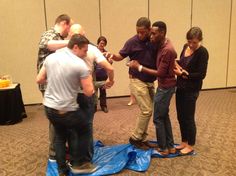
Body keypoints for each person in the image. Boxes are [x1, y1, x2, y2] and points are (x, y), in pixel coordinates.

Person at [36, 34, 97, 175]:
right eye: (85, 50)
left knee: (60, 136)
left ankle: (62, 170)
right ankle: (78, 163)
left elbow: (39, 79)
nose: (86, 54)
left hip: (49, 107)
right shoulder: (79, 64)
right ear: (75, 47)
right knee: (84, 128)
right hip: (65, 109)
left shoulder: (50, 58)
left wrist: (55, 81)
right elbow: (88, 92)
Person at [129, 21, 177, 156]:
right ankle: (170, 146)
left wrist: (139, 67)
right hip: (165, 86)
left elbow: (161, 73)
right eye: (151, 34)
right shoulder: (163, 44)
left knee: (157, 118)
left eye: (154, 34)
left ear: (162, 33)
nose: (151, 37)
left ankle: (163, 148)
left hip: (165, 87)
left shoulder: (167, 49)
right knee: (164, 116)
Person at [68, 24, 114, 160]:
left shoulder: (63, 50)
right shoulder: (92, 49)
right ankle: (85, 159)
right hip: (83, 93)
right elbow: (110, 69)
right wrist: (111, 80)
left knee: (73, 126)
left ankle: (75, 156)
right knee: (86, 127)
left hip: (71, 94)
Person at [110, 17, 157, 150]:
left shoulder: (154, 40)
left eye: (143, 32)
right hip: (137, 79)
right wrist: (111, 55)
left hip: (150, 80)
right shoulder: (132, 42)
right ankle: (135, 138)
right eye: (138, 32)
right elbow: (120, 56)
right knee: (146, 110)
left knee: (148, 110)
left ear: (149, 30)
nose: (140, 35)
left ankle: (142, 137)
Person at [37, 14, 72, 161]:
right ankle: (54, 152)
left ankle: (59, 148)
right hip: (48, 83)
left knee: (61, 117)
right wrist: (70, 41)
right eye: (69, 27)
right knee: (55, 118)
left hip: (56, 83)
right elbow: (47, 44)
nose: (69, 31)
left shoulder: (58, 38)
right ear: (64, 24)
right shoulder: (50, 34)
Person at [174, 27, 209, 155]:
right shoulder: (185, 47)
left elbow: (201, 74)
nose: (191, 45)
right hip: (181, 87)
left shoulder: (203, 52)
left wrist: (184, 74)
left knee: (188, 117)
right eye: (189, 41)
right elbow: (183, 62)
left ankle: (190, 144)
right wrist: (175, 63)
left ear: (200, 40)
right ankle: (184, 141)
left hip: (192, 89)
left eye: (194, 42)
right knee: (180, 116)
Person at [94, 36, 113, 113]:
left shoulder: (106, 53)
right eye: (101, 43)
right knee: (94, 93)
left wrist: (110, 61)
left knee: (103, 92)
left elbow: (110, 64)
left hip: (103, 75)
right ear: (98, 43)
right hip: (94, 75)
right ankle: (94, 107)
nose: (102, 45)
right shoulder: (94, 52)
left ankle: (103, 106)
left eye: (104, 43)